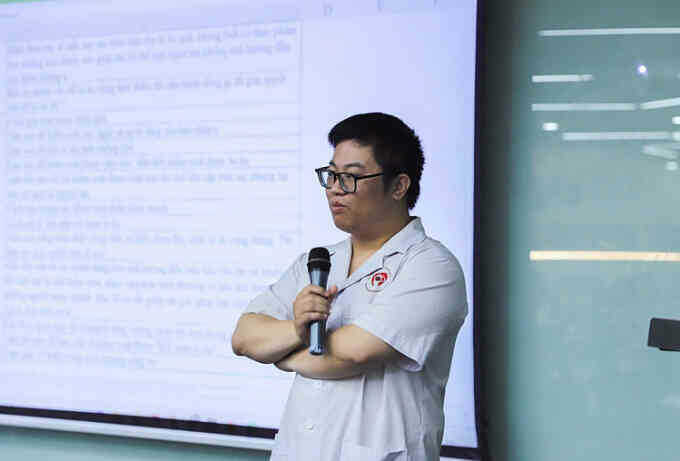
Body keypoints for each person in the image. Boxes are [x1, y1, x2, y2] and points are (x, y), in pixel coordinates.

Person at [231, 112, 468, 460]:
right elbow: (244, 336)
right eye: (331, 175)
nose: (334, 189)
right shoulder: (318, 261)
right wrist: (297, 331)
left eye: (351, 177)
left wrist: (279, 355)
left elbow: (354, 352)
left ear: (399, 186)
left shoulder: (431, 266)